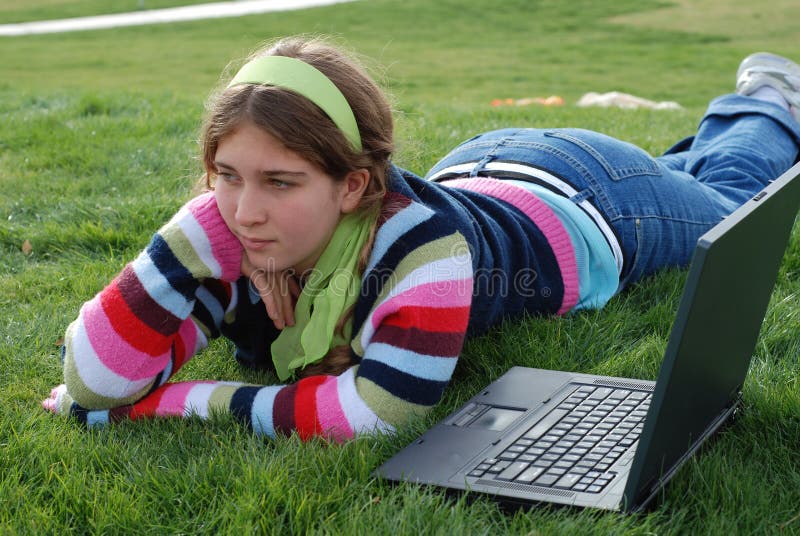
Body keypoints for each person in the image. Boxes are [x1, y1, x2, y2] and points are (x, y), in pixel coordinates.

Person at [42, 37, 800, 442]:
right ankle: (689, 161)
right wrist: (189, 230)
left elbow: (374, 413)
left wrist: (168, 404)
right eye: (225, 174)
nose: (244, 212)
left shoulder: (423, 249)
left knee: (730, 194)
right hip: (479, 165)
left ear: (352, 186)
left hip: (588, 203)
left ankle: (765, 97)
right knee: (686, 180)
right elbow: (97, 379)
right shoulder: (229, 230)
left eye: (280, 181)